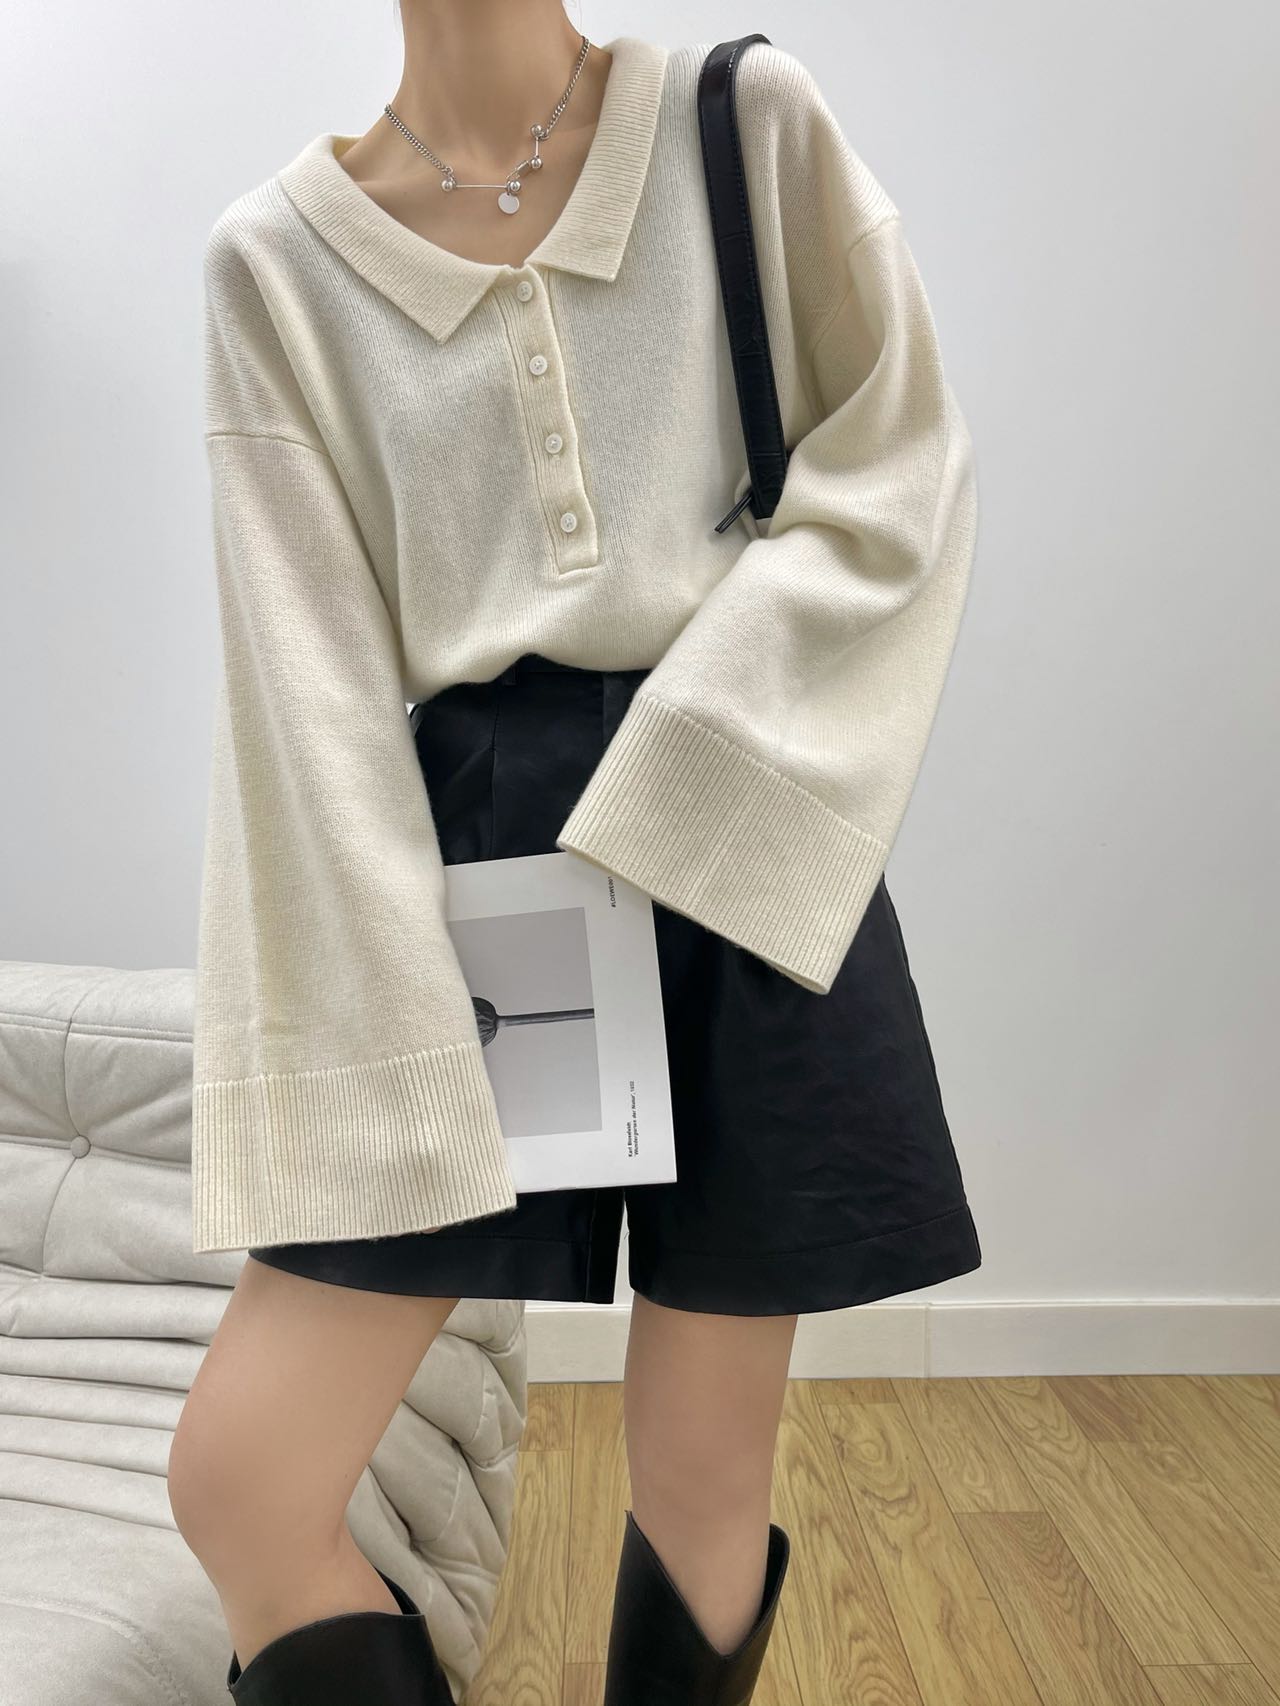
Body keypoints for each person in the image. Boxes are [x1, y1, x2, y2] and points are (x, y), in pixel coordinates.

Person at [167, 3, 983, 1701]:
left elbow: (897, 465)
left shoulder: (743, 125)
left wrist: (698, 768)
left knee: (701, 1474)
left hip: (740, 830)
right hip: (480, 888)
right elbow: (307, 697)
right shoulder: (278, 263)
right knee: (244, 1481)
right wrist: (376, 1019)